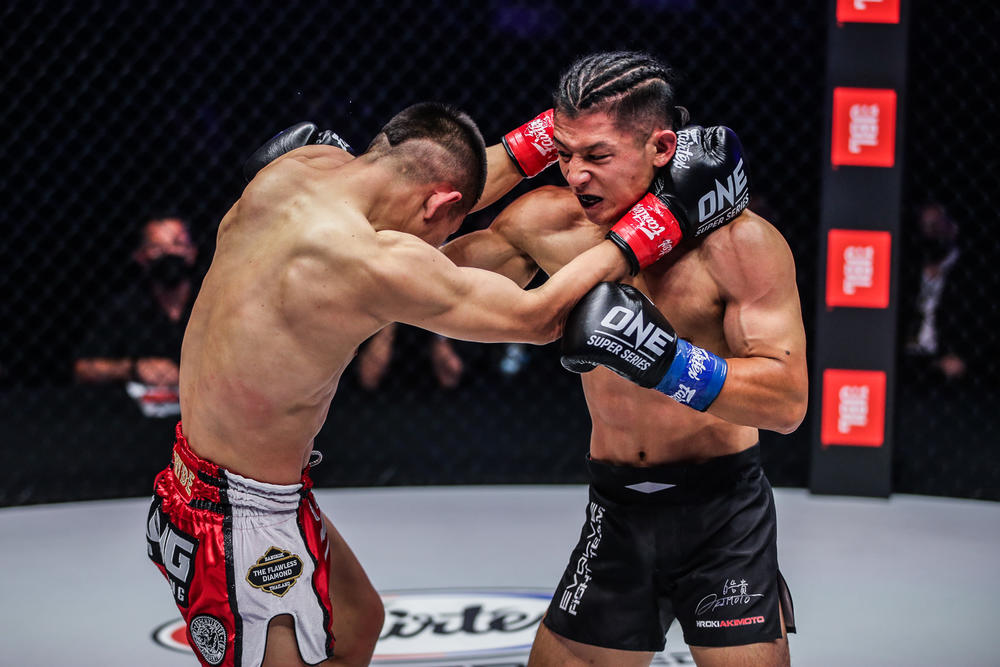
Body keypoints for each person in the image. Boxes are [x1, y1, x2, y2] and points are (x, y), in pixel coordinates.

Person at [147, 102, 651, 667]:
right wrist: (650, 228)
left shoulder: (297, 170)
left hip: (215, 478)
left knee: (357, 623)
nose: (434, 245)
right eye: (445, 229)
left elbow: (434, 177)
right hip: (236, 519)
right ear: (439, 205)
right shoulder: (371, 262)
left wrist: (548, 133)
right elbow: (539, 318)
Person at [443, 51, 808, 667]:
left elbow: (787, 402)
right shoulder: (548, 224)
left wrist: (664, 360)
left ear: (660, 147)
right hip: (616, 507)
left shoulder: (738, 244)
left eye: (598, 155)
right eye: (564, 153)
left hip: (723, 513)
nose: (575, 174)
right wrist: (516, 153)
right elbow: (424, 279)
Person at [75, 216, 199, 416]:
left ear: (192, 252)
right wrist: (134, 368)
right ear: (141, 256)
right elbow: (83, 368)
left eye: (177, 244)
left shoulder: (216, 304)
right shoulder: (125, 307)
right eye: (157, 248)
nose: (168, 253)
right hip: (135, 418)